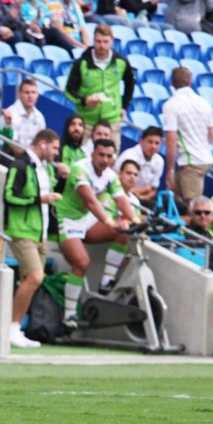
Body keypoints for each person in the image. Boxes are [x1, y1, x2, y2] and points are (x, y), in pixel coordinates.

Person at [56, 138, 139, 329]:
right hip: (68, 218)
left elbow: (121, 200)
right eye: (101, 155)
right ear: (93, 154)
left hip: (88, 219)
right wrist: (109, 221)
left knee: (124, 230)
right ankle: (69, 316)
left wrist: (134, 220)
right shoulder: (80, 168)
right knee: (82, 262)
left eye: (109, 156)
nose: (104, 159)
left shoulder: (110, 175)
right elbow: (91, 200)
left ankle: (106, 282)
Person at [3, 128, 63, 348]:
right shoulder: (20, 164)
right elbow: (9, 195)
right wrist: (38, 199)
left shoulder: (44, 167)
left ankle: (14, 328)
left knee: (32, 280)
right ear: (43, 143)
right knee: (35, 277)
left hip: (40, 232)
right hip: (22, 231)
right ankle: (11, 327)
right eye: (55, 147)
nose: (57, 153)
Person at [65, 23, 135, 151]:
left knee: (110, 160)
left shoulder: (121, 62)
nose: (102, 45)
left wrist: (125, 106)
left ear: (112, 41)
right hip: (86, 122)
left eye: (105, 42)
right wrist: (84, 101)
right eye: (98, 41)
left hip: (111, 121)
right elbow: (69, 91)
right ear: (93, 40)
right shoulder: (82, 63)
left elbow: (130, 84)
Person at [162, 66, 213, 210]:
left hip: (191, 161)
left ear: (172, 83)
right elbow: (211, 134)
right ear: (190, 82)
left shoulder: (171, 105)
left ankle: (196, 232)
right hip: (204, 158)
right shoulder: (204, 103)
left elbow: (171, 139)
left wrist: (170, 169)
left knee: (194, 206)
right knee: (175, 193)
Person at [113, 126, 164, 210]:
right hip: (122, 195)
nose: (153, 146)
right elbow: (117, 184)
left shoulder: (160, 161)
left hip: (143, 199)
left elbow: (153, 190)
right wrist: (144, 189)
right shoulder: (128, 156)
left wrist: (141, 197)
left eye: (157, 143)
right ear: (141, 141)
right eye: (150, 142)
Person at [2, 78, 46, 157]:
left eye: (33, 92)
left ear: (37, 95)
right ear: (19, 94)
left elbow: (41, 143)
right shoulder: (10, 113)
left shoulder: (40, 117)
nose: (30, 96)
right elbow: (11, 146)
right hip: (11, 156)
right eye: (27, 92)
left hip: (31, 157)